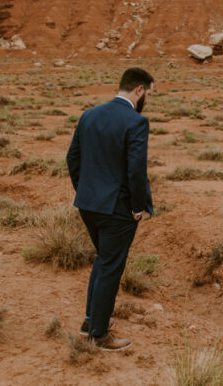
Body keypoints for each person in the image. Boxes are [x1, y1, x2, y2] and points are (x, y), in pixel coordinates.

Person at [66, 67, 155, 351]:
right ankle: (99, 335)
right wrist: (137, 208)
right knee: (110, 267)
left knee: (103, 261)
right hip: (117, 209)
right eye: (149, 94)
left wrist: (85, 190)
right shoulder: (136, 121)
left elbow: (72, 158)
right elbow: (136, 172)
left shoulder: (89, 115)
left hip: (88, 204)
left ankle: (91, 321)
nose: (148, 101)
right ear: (139, 90)